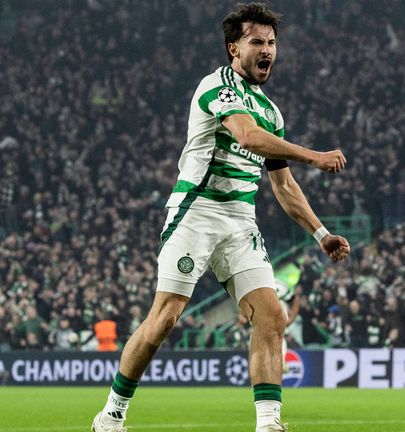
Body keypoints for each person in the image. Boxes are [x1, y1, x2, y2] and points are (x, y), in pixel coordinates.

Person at [91, 3, 350, 432]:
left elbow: (283, 188)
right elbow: (247, 136)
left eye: (271, 42)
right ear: (234, 47)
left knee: (272, 316)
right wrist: (315, 156)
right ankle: (112, 413)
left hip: (240, 222)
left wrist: (320, 233)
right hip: (197, 210)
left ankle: (269, 423)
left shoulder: (272, 112)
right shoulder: (217, 86)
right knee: (166, 317)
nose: (267, 49)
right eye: (256, 42)